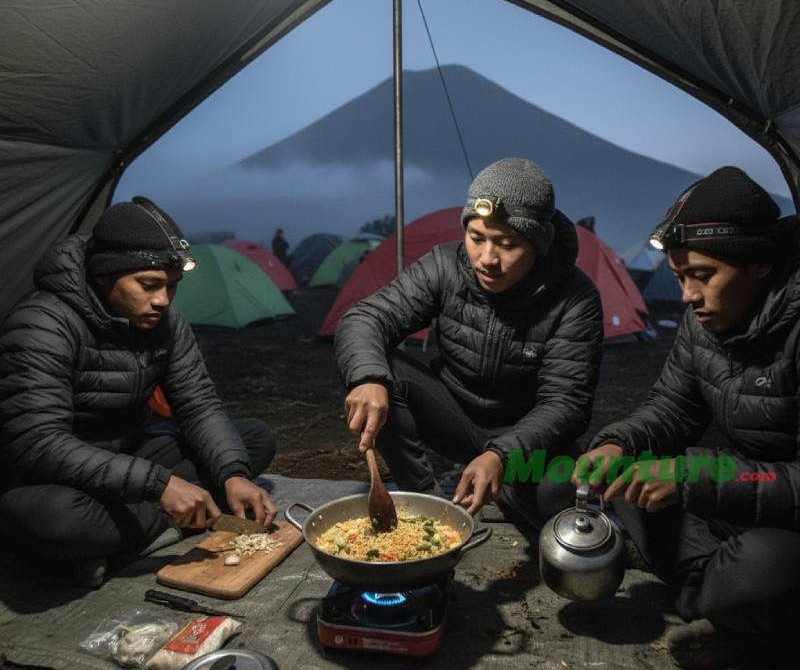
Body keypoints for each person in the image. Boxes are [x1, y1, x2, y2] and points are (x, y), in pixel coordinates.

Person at [575, 167, 800, 670]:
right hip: (734, 495)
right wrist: (619, 443)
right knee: (624, 485)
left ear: (759, 263)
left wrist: (690, 476)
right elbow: (673, 407)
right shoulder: (704, 322)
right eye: (679, 277)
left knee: (764, 569)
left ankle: (724, 604)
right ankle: (718, 603)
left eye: (703, 275)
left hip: (783, 519)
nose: (687, 296)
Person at [0, 196, 277, 588]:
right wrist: (159, 486)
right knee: (53, 520)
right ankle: (164, 522)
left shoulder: (165, 319)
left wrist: (233, 474)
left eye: (172, 287)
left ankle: (125, 537)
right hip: (57, 476)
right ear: (104, 276)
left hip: (132, 453)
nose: (163, 300)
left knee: (253, 440)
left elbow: (198, 404)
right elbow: (38, 442)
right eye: (149, 286)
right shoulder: (42, 324)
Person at [336, 158, 604, 525]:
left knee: (560, 495)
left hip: (525, 435)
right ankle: (426, 502)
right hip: (454, 415)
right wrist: (368, 378)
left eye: (507, 244)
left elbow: (567, 403)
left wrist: (501, 455)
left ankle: (502, 488)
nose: (487, 259)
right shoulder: (444, 265)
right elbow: (365, 318)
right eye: (476, 238)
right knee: (382, 369)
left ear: (538, 244)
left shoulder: (577, 298)